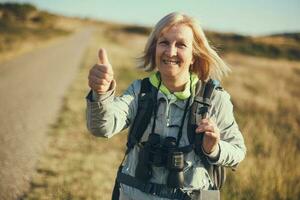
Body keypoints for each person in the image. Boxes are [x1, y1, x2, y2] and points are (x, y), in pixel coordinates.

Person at [86, 12, 246, 200]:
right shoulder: (141, 91)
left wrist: (214, 148)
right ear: (154, 49)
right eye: (164, 42)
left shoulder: (214, 99)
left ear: (194, 55)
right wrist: (101, 93)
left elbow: (238, 151)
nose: (170, 52)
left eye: (181, 45)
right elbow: (102, 128)